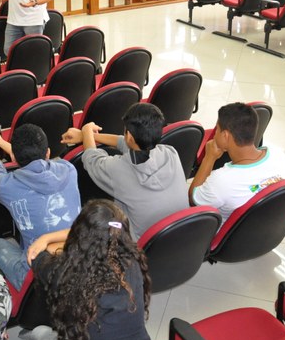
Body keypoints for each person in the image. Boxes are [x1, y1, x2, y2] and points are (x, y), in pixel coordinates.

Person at [28, 200, 152, 340]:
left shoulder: (67, 274)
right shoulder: (133, 262)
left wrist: (45, 238)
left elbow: (36, 256)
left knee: (38, 334)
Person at [57, 103, 188, 240]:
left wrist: (86, 129)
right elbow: (127, 143)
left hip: (139, 245)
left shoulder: (118, 169)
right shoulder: (171, 153)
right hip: (177, 236)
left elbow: (92, 159)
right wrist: (87, 136)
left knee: (96, 219)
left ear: (130, 136)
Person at [0, 124, 80, 290]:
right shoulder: (69, 169)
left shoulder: (7, 186)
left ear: (14, 159)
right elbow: (31, 160)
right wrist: (1, 141)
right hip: (78, 257)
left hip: (36, 275)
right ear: (47, 152)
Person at [189, 102, 285, 221]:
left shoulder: (222, 181)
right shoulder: (280, 156)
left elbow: (193, 200)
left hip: (225, 236)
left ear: (225, 135)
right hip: (264, 226)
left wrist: (209, 158)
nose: (215, 134)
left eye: (217, 130)